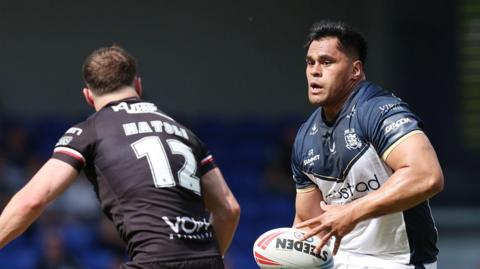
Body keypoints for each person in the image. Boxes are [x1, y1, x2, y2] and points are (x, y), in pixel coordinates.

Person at [0, 45, 241, 269]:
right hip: (208, 260)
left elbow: (31, 201)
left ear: (88, 96)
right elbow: (228, 209)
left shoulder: (89, 131)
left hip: (152, 261)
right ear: (138, 85)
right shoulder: (185, 133)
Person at [291, 21, 444, 269]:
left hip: (398, 262)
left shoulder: (379, 110)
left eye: (327, 62)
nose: (315, 71)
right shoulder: (305, 136)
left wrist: (351, 212)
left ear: (355, 70)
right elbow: (308, 222)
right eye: (310, 62)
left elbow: (427, 175)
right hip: (338, 262)